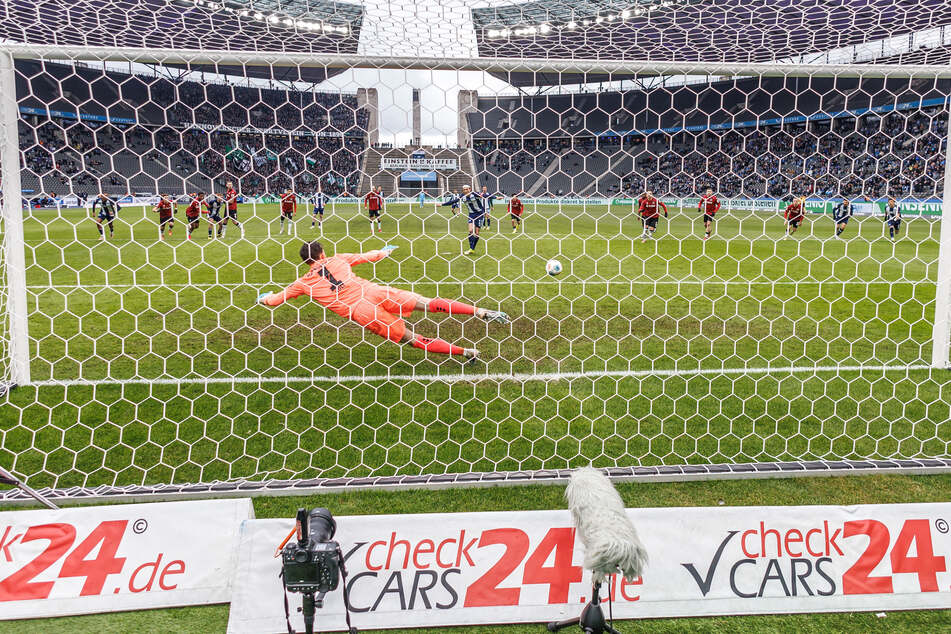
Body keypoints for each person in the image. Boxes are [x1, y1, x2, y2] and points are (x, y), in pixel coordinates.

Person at [257, 241, 509, 361]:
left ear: (306, 262)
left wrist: (264, 299)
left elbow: (275, 300)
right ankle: (480, 311)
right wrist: (385, 251)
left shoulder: (301, 283)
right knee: (429, 303)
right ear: (322, 254)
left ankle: (466, 352)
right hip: (374, 291)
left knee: (413, 339)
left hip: (361, 311)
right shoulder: (338, 258)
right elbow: (369, 256)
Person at [461, 185, 486, 254]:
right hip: (471, 214)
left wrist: (496, 197)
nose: (466, 191)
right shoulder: (462, 196)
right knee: (470, 230)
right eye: (464, 189)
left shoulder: (474, 194)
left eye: (467, 189)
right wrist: (442, 204)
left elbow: (486, 196)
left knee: (477, 233)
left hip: (479, 214)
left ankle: (472, 248)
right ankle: (471, 248)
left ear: (470, 189)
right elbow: (454, 201)